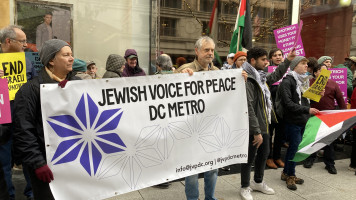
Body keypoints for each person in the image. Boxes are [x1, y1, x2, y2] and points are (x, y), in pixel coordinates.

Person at [13, 39, 79, 200]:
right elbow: (23, 130)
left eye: (71, 54)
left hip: (76, 162)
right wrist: (37, 163)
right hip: (46, 165)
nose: (72, 58)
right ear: (51, 60)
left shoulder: (78, 85)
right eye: (66, 55)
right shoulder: (30, 90)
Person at [240, 47, 295, 200]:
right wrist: (256, 131)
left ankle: (258, 182)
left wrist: (288, 60)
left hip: (264, 123)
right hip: (253, 126)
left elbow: (276, 75)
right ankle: (245, 187)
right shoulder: (247, 79)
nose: (267, 62)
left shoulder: (260, 76)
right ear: (252, 61)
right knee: (249, 158)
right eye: (263, 59)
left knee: (263, 154)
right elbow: (248, 106)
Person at [176, 36, 219, 200]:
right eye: (206, 50)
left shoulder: (218, 73)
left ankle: (210, 197)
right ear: (196, 51)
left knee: (213, 168)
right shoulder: (184, 70)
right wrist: (181, 78)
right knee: (192, 170)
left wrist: (240, 79)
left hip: (211, 129)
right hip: (190, 131)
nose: (210, 53)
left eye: (212, 50)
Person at [0, 25, 34, 200]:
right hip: (2, 121)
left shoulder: (27, 61)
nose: (26, 45)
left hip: (24, 118)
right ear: (8, 41)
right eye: (22, 41)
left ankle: (33, 194)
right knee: (3, 163)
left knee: (30, 158)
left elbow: (35, 86)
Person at [278, 56, 320, 190]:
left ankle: (287, 172)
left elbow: (306, 101)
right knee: (293, 149)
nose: (306, 66)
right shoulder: (288, 81)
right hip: (292, 121)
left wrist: (318, 96)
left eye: (306, 64)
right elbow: (288, 104)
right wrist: (307, 110)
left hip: (302, 120)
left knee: (296, 148)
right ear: (295, 66)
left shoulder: (304, 81)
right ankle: (290, 175)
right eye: (303, 64)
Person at [302, 64, 346, 174]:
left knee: (328, 141)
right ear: (316, 73)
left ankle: (330, 164)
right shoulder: (309, 83)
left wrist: (344, 114)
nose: (325, 74)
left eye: (327, 71)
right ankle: (310, 159)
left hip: (328, 116)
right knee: (311, 138)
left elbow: (340, 100)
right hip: (313, 115)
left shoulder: (333, 84)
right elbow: (304, 100)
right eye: (322, 71)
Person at [266, 48, 286, 170]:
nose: (278, 57)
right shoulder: (267, 71)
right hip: (271, 108)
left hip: (283, 109)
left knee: (280, 135)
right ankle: (269, 157)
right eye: (275, 55)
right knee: (269, 135)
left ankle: (277, 157)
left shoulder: (288, 71)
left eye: (280, 55)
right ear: (271, 58)